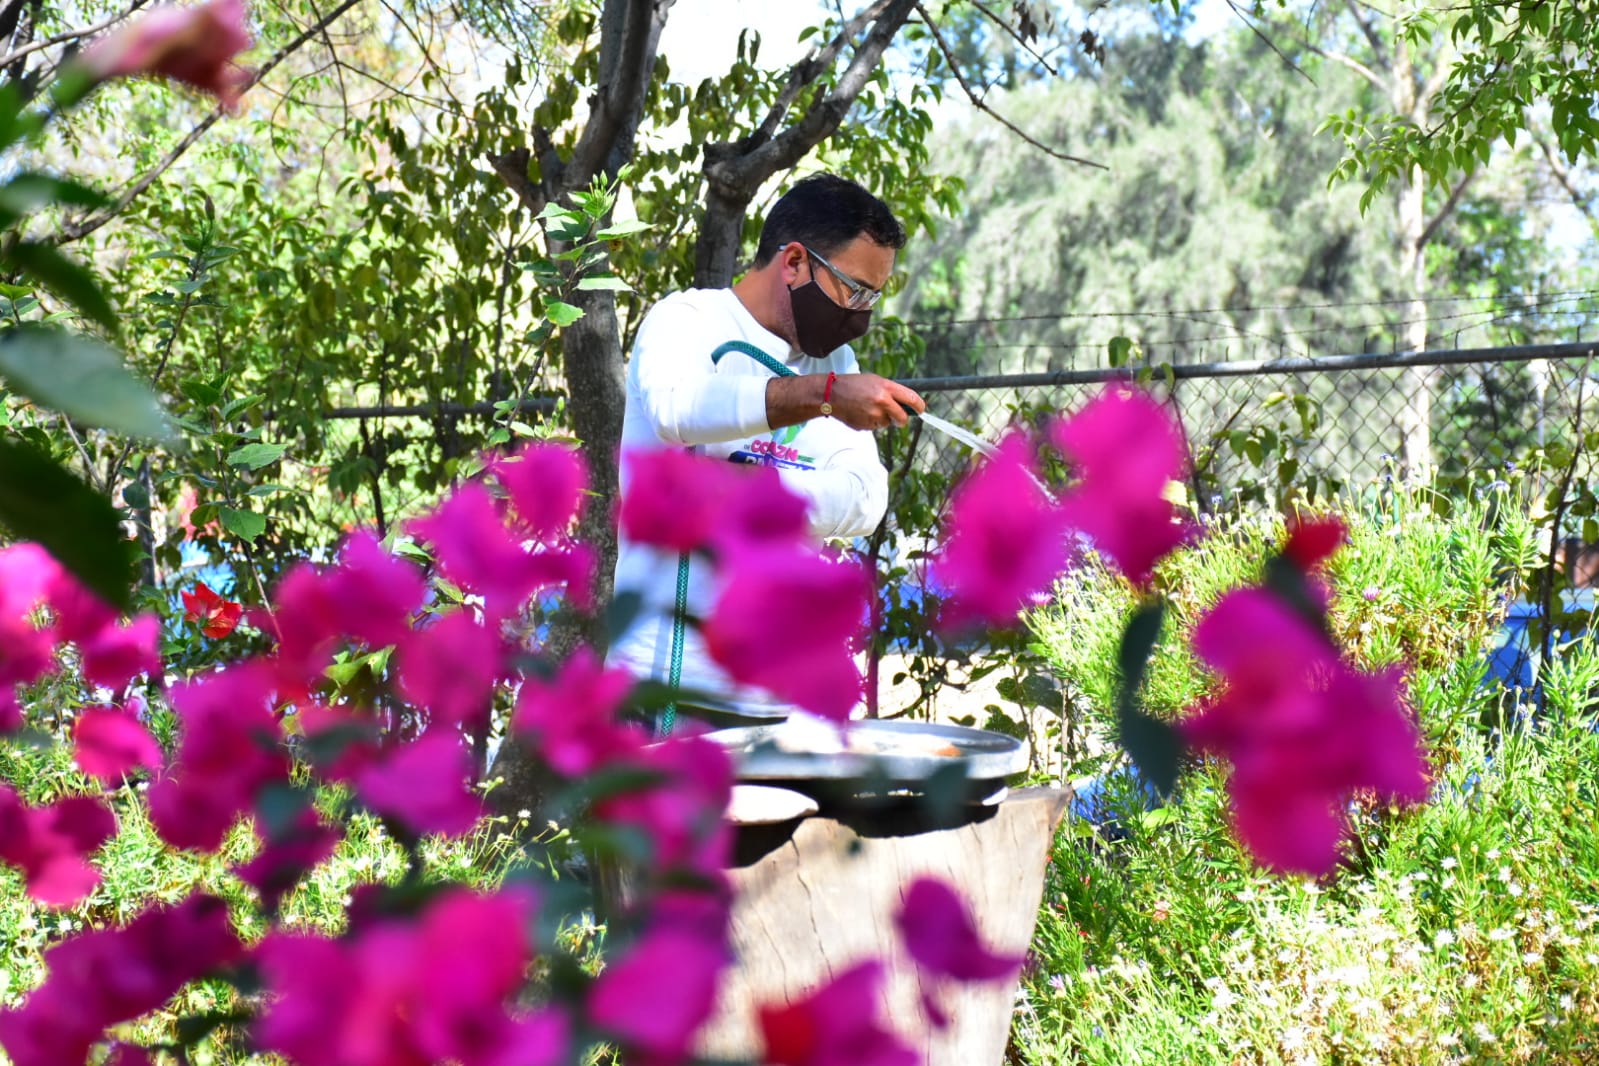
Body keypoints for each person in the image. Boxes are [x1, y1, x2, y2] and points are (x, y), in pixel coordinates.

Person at [608, 173, 926, 723]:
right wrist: (823, 398)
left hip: (781, 701)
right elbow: (676, 411)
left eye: (873, 297)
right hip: (666, 689)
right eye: (853, 289)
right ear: (795, 262)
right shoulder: (686, 323)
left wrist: (741, 492)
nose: (861, 314)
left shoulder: (831, 361)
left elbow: (863, 499)